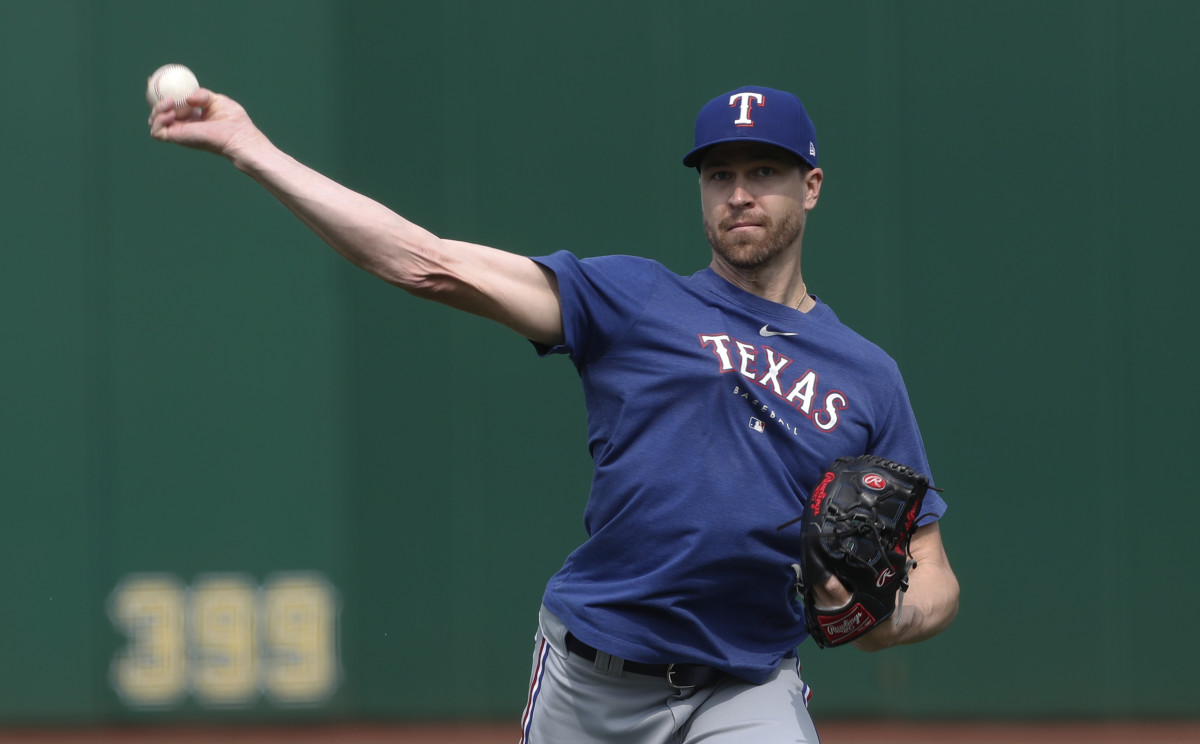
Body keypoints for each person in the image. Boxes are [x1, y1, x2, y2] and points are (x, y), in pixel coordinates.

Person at [150, 82, 959, 743]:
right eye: (720, 176)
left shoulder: (867, 376)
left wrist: (885, 618)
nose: (739, 194)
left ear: (810, 186)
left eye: (764, 172)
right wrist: (248, 148)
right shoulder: (636, 299)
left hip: (747, 685)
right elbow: (427, 263)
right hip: (594, 681)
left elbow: (932, 571)